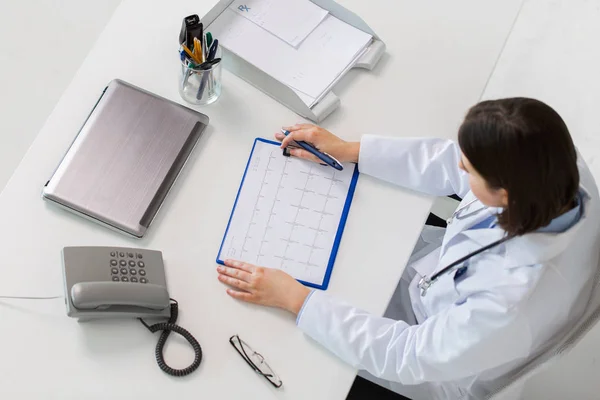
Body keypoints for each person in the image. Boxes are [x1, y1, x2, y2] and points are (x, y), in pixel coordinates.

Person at [216, 98, 600, 399]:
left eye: (470, 170)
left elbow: (410, 355)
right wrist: (351, 150)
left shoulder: (510, 301)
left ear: (505, 194)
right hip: (435, 285)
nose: (460, 169)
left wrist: (299, 301)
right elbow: (451, 161)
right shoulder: (554, 167)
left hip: (437, 362)